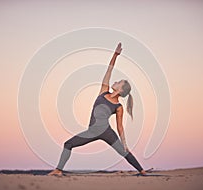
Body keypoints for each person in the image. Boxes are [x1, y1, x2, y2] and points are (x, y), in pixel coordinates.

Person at [48, 43, 147, 176]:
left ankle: (142, 171)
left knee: (124, 152)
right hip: (92, 131)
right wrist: (115, 55)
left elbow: (120, 127)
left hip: (107, 132)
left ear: (120, 90)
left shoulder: (119, 107)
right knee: (68, 144)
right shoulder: (103, 91)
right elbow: (109, 70)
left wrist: (124, 143)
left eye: (119, 82)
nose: (115, 81)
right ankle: (58, 170)